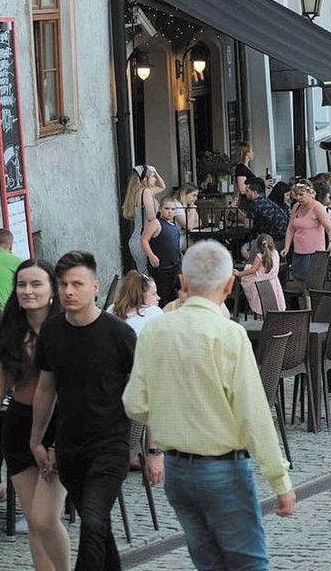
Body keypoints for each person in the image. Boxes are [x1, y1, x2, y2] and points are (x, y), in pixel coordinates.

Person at [123, 241, 296, 571]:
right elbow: (254, 415)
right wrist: (279, 481)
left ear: (182, 282)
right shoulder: (228, 334)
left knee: (208, 563)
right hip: (223, 467)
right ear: (230, 285)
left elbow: (134, 403)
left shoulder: (156, 329)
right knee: (248, 563)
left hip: (178, 472)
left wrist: (173, 413)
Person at [29, 251, 145, 571]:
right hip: (70, 448)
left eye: (77, 284)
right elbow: (45, 390)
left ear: (95, 287)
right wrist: (38, 441)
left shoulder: (119, 335)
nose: (68, 291)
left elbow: (145, 389)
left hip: (110, 445)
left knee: (93, 521)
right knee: (99, 527)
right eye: (63, 284)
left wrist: (155, 447)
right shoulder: (52, 332)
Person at [0, 260, 70, 566]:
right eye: (22, 284)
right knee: (34, 523)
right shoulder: (10, 334)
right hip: (19, 426)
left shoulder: (67, 331)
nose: (27, 290)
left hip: (59, 428)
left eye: (36, 284)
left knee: (46, 519)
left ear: (52, 291)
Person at [282, 181, 331, 283]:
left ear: (310, 193)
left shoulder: (317, 207)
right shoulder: (296, 206)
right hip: (298, 251)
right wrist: (287, 247)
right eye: (296, 195)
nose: (298, 198)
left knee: (311, 283)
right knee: (298, 281)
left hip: (314, 253)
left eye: (301, 194)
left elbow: (330, 228)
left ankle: (310, 299)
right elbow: (290, 229)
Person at [121, 165, 166, 274]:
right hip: (143, 240)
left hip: (135, 239)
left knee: (143, 274)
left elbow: (162, 186)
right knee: (147, 278)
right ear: (145, 179)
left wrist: (154, 171)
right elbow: (151, 217)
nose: (155, 179)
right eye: (153, 176)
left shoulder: (137, 192)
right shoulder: (146, 192)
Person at [141, 197, 183, 306]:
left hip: (174, 266)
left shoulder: (173, 226)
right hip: (161, 268)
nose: (170, 212)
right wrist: (151, 255)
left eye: (173, 209)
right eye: (167, 208)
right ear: (160, 209)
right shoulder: (156, 223)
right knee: (162, 296)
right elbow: (144, 239)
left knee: (173, 295)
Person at [235, 234, 285, 317]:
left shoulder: (259, 257)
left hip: (260, 283)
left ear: (257, 247)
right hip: (273, 282)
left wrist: (239, 273)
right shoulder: (275, 253)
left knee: (246, 279)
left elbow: (252, 270)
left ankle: (258, 312)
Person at [106, 271, 163, 336]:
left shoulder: (111, 309)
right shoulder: (155, 312)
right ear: (140, 296)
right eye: (154, 294)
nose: (158, 298)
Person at [243, 178, 289, 247]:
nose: (245, 193)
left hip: (272, 241)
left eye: (247, 191)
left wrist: (237, 212)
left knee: (244, 248)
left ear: (254, 193)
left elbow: (247, 225)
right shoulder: (267, 201)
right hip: (284, 239)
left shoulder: (255, 203)